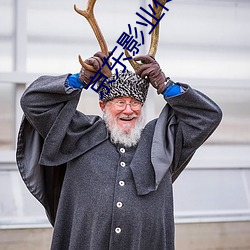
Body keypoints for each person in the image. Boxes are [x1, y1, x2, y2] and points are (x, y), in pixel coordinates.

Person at [16, 52, 222, 250]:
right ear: (103, 105)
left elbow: (208, 116)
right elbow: (32, 102)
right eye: (120, 102)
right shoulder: (79, 132)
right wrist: (79, 79)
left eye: (135, 103)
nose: (128, 110)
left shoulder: (163, 139)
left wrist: (164, 85)